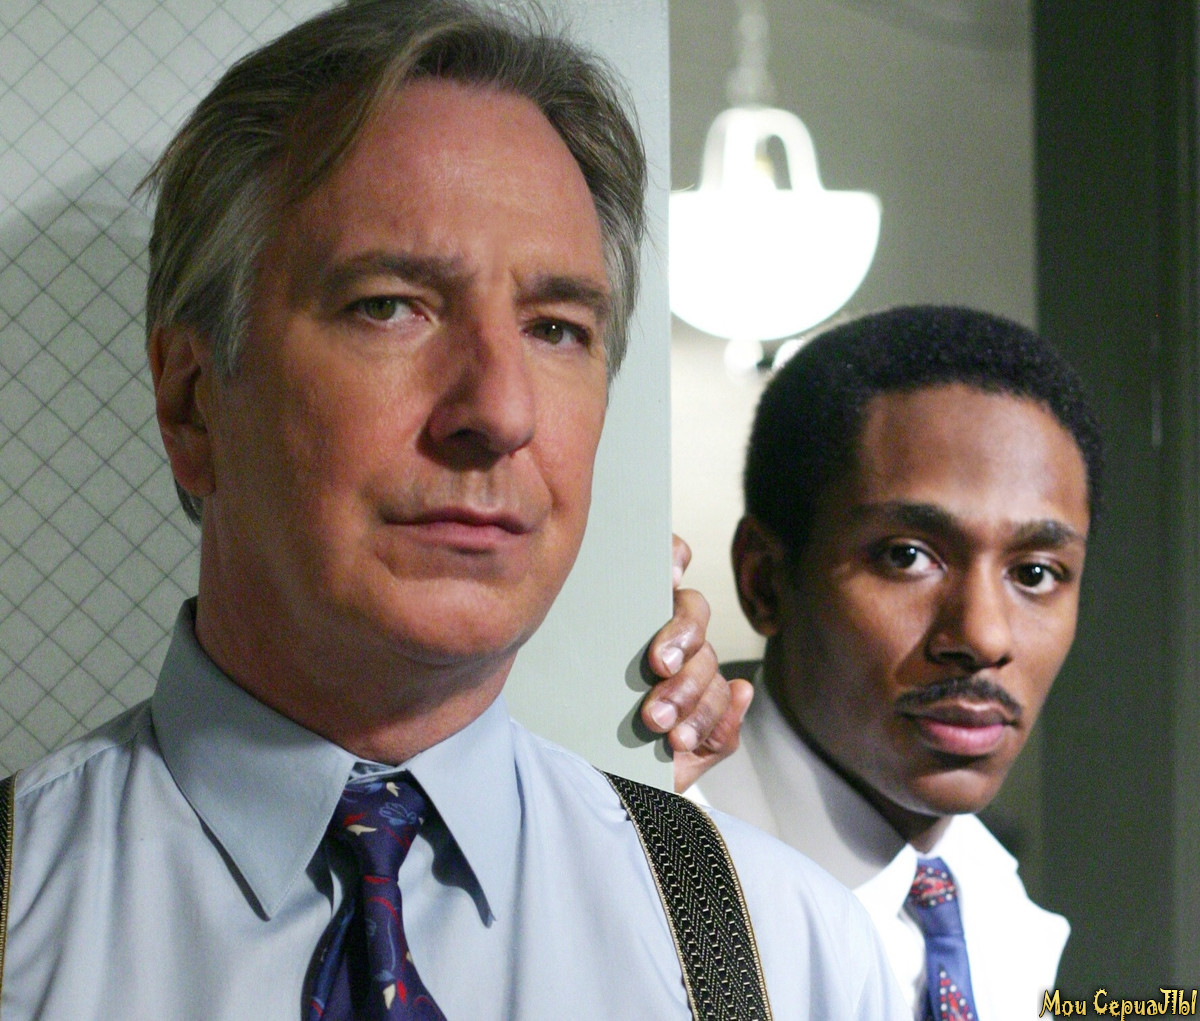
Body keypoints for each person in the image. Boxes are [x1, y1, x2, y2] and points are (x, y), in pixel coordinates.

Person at [3, 2, 907, 1017]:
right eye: (390, 306)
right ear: (191, 401)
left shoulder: (793, 957)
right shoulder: (22, 924)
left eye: (555, 327)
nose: (501, 411)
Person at [696, 304, 1104, 1019]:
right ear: (764, 581)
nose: (983, 635)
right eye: (908, 556)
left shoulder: (991, 901)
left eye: (1035, 573)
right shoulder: (647, 874)